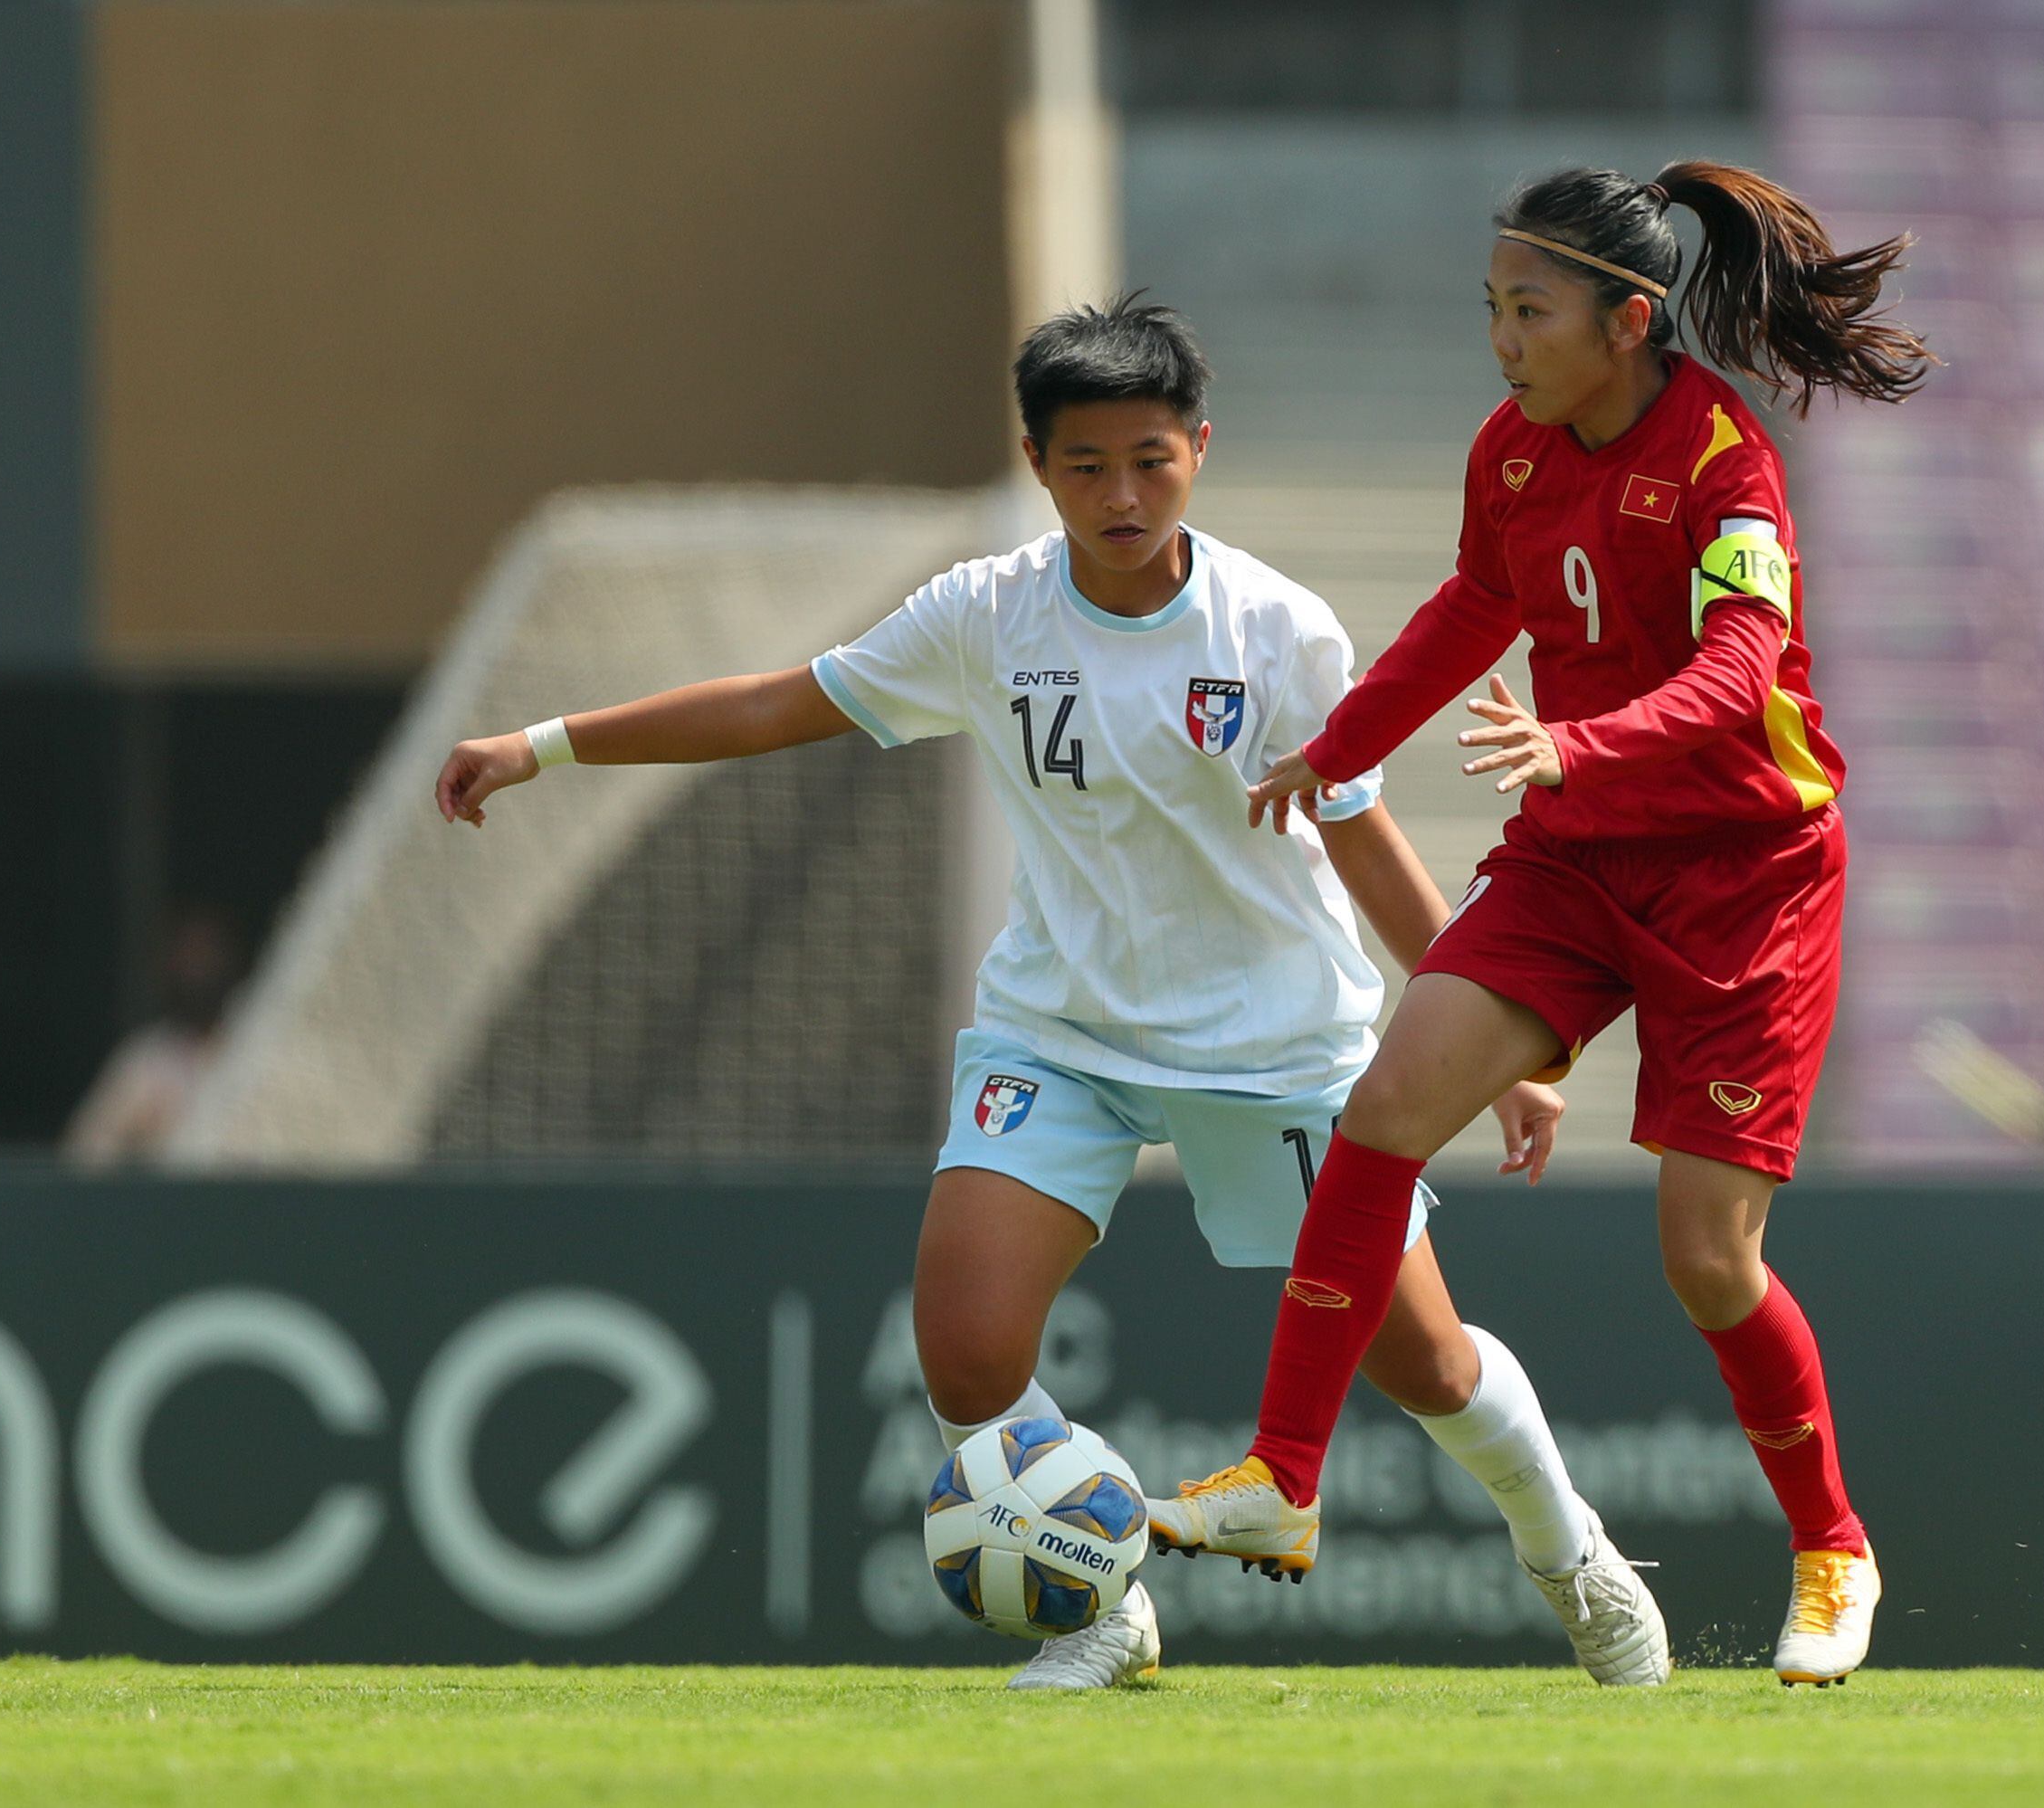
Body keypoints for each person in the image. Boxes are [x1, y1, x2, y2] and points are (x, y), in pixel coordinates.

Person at [433, 297, 1668, 1690]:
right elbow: (777, 703)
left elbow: (1360, 834)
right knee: (964, 1347)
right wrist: (541, 746)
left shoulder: (1278, 631)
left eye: (1150, 458)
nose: (1121, 494)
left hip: (1273, 1049)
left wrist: (1492, 1037)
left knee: (1428, 1367)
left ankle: (1573, 1556)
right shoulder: (983, 614)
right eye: (1086, 467)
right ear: (1037, 465)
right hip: (1060, 1032)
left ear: (1201, 448)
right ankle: (1101, 1608)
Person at [1148, 163, 1935, 1688]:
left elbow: (1739, 671)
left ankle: (1832, 1544)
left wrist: (1586, 739)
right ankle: (1283, 1477)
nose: (1501, 338)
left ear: (1627, 321)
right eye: (1492, 307)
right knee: (1380, 1108)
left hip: (1744, 876)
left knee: (1705, 1262)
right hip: (1578, 862)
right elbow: (1470, 604)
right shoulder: (1512, 451)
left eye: (1529, 310)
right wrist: (1339, 744)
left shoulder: (1724, 462)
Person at [64, 906, 242, 1166]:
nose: (197, 965)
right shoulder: (146, 1059)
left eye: (207, 950)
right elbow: (86, 1158)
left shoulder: (264, 1049)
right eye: (186, 952)